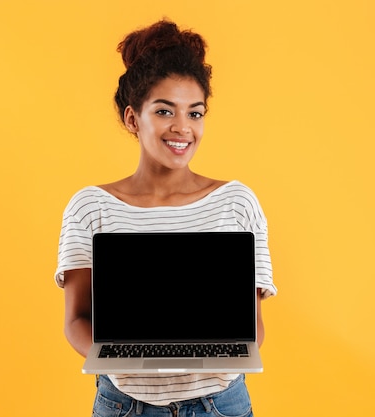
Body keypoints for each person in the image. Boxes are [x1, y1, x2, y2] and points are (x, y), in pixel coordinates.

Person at [54, 19, 277, 417]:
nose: (182, 128)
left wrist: (213, 354)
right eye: (164, 111)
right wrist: (125, 358)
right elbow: (76, 319)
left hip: (220, 406)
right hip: (125, 406)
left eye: (195, 113)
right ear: (132, 119)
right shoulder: (92, 207)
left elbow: (253, 325)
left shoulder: (236, 203)